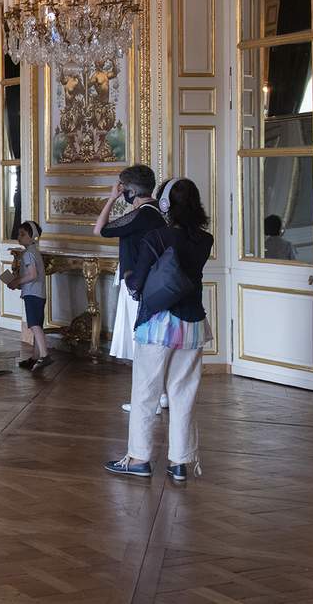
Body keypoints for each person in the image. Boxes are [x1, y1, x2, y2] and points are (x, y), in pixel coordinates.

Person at [105, 178, 214, 482]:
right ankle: (180, 462)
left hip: (158, 325)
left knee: (145, 393)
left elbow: (137, 287)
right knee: (183, 394)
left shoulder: (157, 237)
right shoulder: (205, 240)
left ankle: (139, 458)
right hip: (192, 324)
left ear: (165, 205)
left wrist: (129, 275)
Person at [94, 164, 168, 413]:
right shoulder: (157, 211)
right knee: (152, 339)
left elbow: (100, 229)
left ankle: (149, 400)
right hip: (153, 282)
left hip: (137, 283)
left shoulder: (141, 214)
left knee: (141, 342)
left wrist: (111, 198)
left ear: (131, 190)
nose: (120, 190)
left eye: (122, 186)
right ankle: (161, 394)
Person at [4, 221, 51, 371]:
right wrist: (17, 283)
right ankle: (36, 358)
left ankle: (44, 355)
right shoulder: (33, 252)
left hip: (33, 294)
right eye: (19, 234)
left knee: (34, 325)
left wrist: (16, 281)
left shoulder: (28, 254)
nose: (19, 237)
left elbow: (32, 275)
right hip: (38, 293)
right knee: (37, 325)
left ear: (33, 237)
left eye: (23, 234)